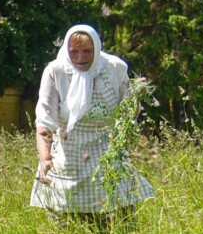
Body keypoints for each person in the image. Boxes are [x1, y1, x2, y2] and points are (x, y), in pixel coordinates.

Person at [31, 24, 153, 221]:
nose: (81, 57)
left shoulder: (114, 67)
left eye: (87, 51)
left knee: (118, 218)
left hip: (107, 151)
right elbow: (45, 120)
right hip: (67, 153)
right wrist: (45, 158)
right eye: (75, 51)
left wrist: (137, 96)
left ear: (96, 48)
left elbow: (127, 113)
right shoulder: (56, 71)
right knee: (66, 219)